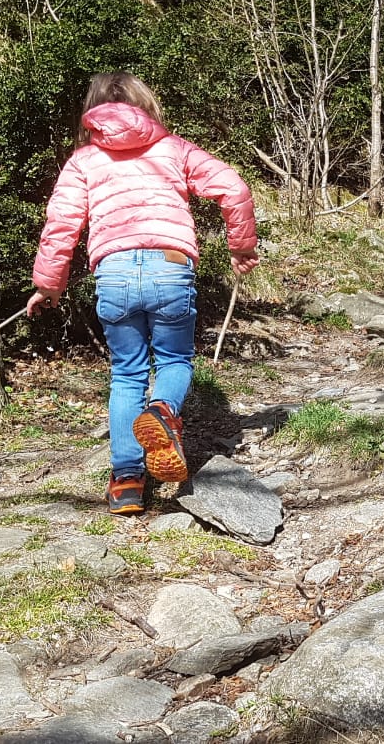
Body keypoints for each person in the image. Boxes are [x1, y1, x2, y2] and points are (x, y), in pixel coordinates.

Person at [27, 72, 259, 515]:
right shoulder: (173, 149)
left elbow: (61, 226)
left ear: (92, 113)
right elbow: (234, 188)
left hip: (113, 272)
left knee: (126, 374)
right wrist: (241, 248)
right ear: (146, 106)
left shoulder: (83, 162)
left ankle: (127, 483)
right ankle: (163, 411)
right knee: (173, 361)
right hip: (171, 267)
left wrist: (47, 284)